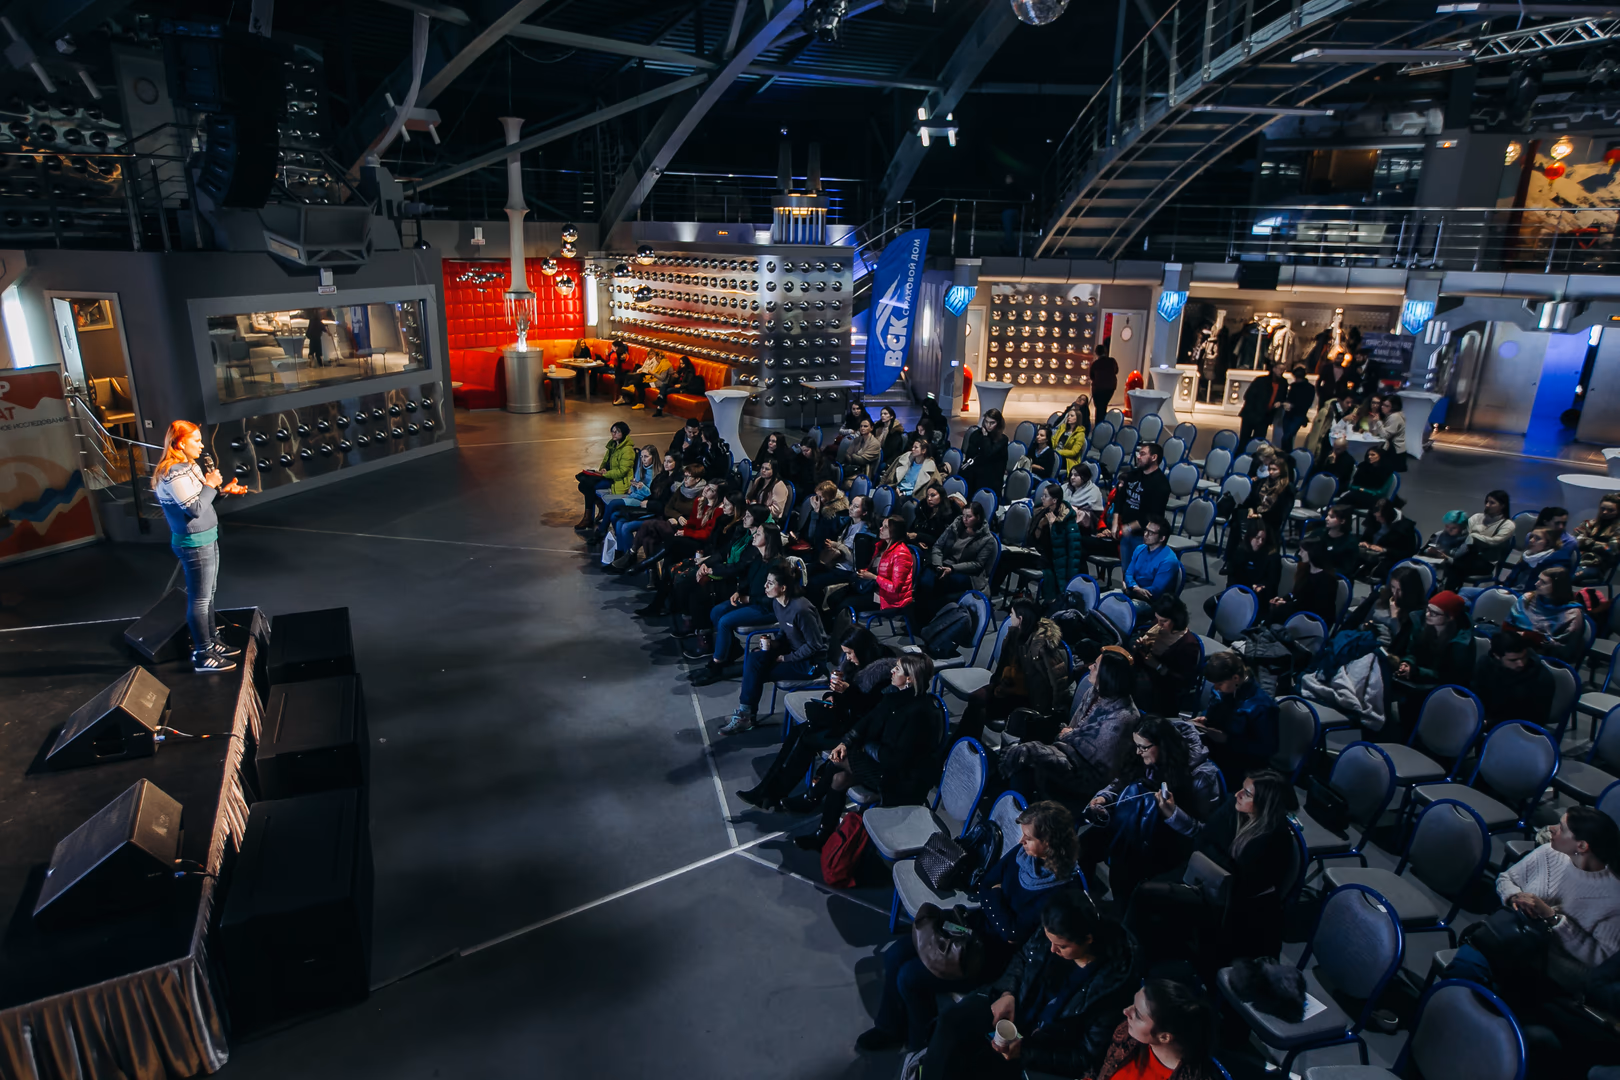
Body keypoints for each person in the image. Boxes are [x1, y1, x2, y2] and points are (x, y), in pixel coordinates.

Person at [860, 802, 1084, 1054]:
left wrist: (996, 898)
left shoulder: (1059, 891)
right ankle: (889, 1027)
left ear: (1050, 843)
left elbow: (1013, 935)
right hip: (970, 927)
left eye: (1029, 838)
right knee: (895, 954)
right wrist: (998, 904)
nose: (1021, 841)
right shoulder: (1023, 855)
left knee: (910, 977)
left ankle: (921, 1045)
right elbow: (986, 884)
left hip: (991, 956)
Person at [917, 891, 1140, 1080]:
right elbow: (1023, 958)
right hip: (1014, 1002)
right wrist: (1008, 993)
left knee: (980, 1067)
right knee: (950, 1022)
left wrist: (1025, 1053)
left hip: (1043, 1042)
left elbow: (1083, 1056)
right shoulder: (1053, 928)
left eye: (1061, 946)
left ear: (1088, 939)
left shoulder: (1110, 988)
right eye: (1049, 940)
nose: (1052, 950)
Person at [1129, 770, 1301, 968]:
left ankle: (1133, 957)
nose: (1237, 794)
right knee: (1145, 889)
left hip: (1230, 903)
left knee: (1148, 894)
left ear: (1265, 804)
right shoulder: (1233, 807)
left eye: (1247, 793)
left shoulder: (1275, 839)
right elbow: (1203, 841)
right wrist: (1223, 859)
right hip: (1206, 876)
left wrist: (1217, 855)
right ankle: (1135, 950)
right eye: (1242, 788)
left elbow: (1241, 883)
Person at [1447, 807, 1620, 995]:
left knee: (1478, 982)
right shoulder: (1549, 853)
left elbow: (1599, 959)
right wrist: (1514, 896)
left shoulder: (1613, 900)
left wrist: (1553, 918)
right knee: (1465, 968)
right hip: (1513, 939)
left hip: (1551, 966)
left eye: (1561, 828)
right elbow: (1506, 879)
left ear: (1582, 846)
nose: (1551, 829)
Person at [794, 652, 942, 850]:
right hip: (882, 762)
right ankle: (823, 831)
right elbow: (867, 722)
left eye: (897, 669)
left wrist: (862, 747)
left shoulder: (920, 713)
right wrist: (845, 743)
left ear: (910, 679)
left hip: (901, 778)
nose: (892, 671)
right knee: (839, 778)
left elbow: (896, 759)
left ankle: (813, 800)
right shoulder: (893, 696)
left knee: (839, 761)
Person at [737, 628, 895, 810]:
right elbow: (845, 696)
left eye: (850, 653)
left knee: (806, 739)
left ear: (862, 649)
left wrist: (848, 692)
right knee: (798, 731)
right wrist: (832, 696)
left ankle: (773, 793)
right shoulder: (853, 664)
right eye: (845, 653)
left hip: (859, 732)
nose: (848, 658)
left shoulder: (884, 674)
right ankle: (766, 790)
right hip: (842, 718)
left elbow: (872, 713)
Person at [1082, 716, 1219, 907]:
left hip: (1165, 841)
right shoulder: (1142, 758)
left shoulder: (1201, 776)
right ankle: (1086, 901)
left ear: (1163, 746)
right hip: (1132, 825)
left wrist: (1173, 814)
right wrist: (1104, 797)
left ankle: (1121, 912)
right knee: (1082, 846)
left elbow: (1204, 832)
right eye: (1136, 745)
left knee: (1125, 870)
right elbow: (1120, 782)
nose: (1138, 752)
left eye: (1143, 747)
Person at [152, 420, 248, 673]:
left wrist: (222, 491)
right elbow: (193, 509)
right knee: (200, 599)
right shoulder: (172, 473)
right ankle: (203, 653)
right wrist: (210, 484)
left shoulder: (189, 466)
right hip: (193, 543)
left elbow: (202, 502)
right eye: (196, 440)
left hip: (207, 537)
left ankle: (211, 641)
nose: (202, 445)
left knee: (209, 595)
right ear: (180, 443)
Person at [1000, 649, 1139, 803]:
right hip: (1070, 748)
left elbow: (1097, 757)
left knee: (1027, 752)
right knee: (1021, 724)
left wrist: (1068, 735)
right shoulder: (1093, 692)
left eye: (1095, 666)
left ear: (1106, 675)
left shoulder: (1124, 717)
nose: (1089, 667)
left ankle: (1010, 802)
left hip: (1087, 772)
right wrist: (1068, 735)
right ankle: (1006, 797)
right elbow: (1075, 727)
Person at [716, 560, 828, 735]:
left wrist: (786, 658)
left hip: (809, 663)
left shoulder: (801, 610)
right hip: (792, 650)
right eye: (766, 582)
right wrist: (773, 644)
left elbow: (815, 645)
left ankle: (746, 716)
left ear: (783, 588)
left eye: (770, 583)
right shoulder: (777, 603)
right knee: (754, 658)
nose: (765, 586)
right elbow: (785, 632)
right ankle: (746, 714)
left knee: (757, 672)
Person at [957, 597, 1073, 741]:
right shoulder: (1014, 634)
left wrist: (1055, 711)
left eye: (1012, 614)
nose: (1009, 617)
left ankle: (966, 743)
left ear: (1020, 618)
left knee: (979, 704)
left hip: (1030, 696)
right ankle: (963, 743)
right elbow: (1005, 664)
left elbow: (1059, 680)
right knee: (976, 699)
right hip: (1009, 684)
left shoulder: (1042, 645)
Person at [689, 521, 783, 683]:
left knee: (725, 621)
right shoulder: (758, 558)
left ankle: (716, 665)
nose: (754, 536)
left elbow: (774, 598)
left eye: (758, 534)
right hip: (752, 601)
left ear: (768, 539)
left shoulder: (778, 565)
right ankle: (731, 649)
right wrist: (739, 592)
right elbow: (748, 580)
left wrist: (749, 599)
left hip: (768, 608)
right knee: (717, 611)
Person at [1092, 980, 1221, 1080]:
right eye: (1133, 1004)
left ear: (1164, 1037)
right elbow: (1100, 1071)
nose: (1126, 1011)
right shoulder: (1127, 1035)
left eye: (1138, 1015)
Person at [1388, 590, 1475, 737]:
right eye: (1427, 609)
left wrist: (1415, 671)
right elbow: (1412, 650)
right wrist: (1408, 663)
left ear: (1450, 617)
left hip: (1443, 688)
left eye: (1434, 613)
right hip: (1420, 677)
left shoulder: (1461, 644)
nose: (1427, 614)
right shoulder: (1423, 625)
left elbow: (1449, 676)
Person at [1190, 653, 1279, 788]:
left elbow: (1266, 748)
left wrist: (1227, 739)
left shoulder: (1261, 707)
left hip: (1239, 761)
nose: (1216, 688)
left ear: (1235, 678)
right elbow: (1214, 711)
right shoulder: (1225, 691)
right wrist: (1206, 719)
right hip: (1215, 747)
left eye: (1219, 684)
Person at [1089, 442, 1170, 570]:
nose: (1138, 456)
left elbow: (1153, 514)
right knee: (1126, 571)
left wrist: (1130, 527)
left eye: (1142, 454)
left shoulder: (1161, 484)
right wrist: (1115, 522)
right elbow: (1120, 498)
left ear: (1154, 457)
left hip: (1144, 536)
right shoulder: (1133, 475)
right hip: (1126, 532)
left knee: (1140, 572)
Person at [1472, 627, 1555, 731]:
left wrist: (1489, 724)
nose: (1521, 664)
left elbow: (1535, 719)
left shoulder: (1541, 678)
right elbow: (1476, 695)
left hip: (1519, 729)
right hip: (1486, 720)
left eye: (1523, 657)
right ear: (1497, 656)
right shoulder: (1485, 664)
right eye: (1513, 660)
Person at [1129, 596, 1201, 715]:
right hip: (1146, 672)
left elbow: (1183, 681)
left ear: (1176, 619)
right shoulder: (1158, 626)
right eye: (1157, 619)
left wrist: (1158, 666)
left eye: (1164, 621)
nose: (1158, 624)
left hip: (1164, 689)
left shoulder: (1188, 644)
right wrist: (1139, 647)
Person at [609, 452, 680, 568]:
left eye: (670, 462)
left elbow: (666, 505)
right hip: (650, 509)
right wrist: (646, 500)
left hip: (660, 515)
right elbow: (653, 494)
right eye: (665, 461)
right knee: (619, 521)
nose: (666, 464)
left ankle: (630, 558)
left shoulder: (676, 482)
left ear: (676, 463)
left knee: (626, 526)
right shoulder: (661, 476)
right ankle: (622, 555)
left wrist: (649, 503)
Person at [1506, 564, 1587, 665]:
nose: (1536, 584)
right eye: (1538, 579)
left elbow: (1565, 650)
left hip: (1544, 658)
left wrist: (1538, 639)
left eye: (1543, 582)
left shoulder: (1572, 614)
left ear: (1557, 587)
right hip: (1514, 647)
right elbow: (1509, 623)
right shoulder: (1527, 598)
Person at [1444, 489, 1516, 590]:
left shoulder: (1507, 525)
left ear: (1502, 506)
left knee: (1455, 566)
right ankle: (1447, 591)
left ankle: (1448, 592)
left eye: (1492, 503)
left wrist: (1474, 536)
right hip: (1466, 555)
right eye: (1486, 502)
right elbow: (1464, 533)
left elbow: (1494, 541)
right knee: (1449, 563)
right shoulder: (1477, 517)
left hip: (1486, 561)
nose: (1487, 505)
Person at [927, 501, 998, 604]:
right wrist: (938, 565)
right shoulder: (956, 526)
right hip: (945, 564)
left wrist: (952, 569)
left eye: (969, 516)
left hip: (968, 574)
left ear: (978, 517)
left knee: (940, 584)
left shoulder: (987, 539)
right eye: (963, 515)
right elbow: (938, 546)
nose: (964, 519)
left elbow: (977, 565)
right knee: (925, 580)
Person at [1209, 517, 1281, 616]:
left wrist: (1258, 588)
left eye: (1263, 539)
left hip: (1257, 599)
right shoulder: (1241, 551)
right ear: (1250, 537)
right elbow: (1233, 576)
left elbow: (1270, 584)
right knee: (1210, 606)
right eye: (1257, 538)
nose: (1260, 542)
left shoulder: (1272, 557)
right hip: (1239, 592)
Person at [595, 444, 664, 544]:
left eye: (646, 457)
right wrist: (632, 486)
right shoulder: (641, 468)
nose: (643, 460)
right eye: (642, 457)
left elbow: (653, 494)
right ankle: (620, 544)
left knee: (613, 504)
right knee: (613, 513)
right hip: (634, 496)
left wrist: (642, 488)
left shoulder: (658, 473)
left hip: (643, 500)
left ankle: (602, 531)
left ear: (654, 457)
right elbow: (634, 486)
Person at [809, 494, 875, 601]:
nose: (851, 508)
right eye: (851, 504)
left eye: (856, 507)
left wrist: (838, 546)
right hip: (835, 563)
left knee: (814, 582)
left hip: (847, 571)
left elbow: (856, 561)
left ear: (864, 512)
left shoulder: (865, 534)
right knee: (808, 571)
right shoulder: (847, 523)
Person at [848, 515, 917, 616]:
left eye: (885, 527)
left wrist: (874, 577)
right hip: (877, 591)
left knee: (845, 605)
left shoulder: (901, 554)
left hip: (891, 600)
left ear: (895, 531)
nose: (880, 529)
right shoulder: (882, 546)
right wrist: (865, 573)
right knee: (835, 598)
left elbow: (895, 588)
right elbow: (875, 569)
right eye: (882, 526)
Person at [574, 421, 635, 533]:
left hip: (618, 481)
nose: (614, 434)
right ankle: (597, 507)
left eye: (617, 431)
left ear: (624, 433)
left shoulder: (627, 450)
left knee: (588, 486)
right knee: (583, 483)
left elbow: (622, 472)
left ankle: (588, 518)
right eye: (612, 431)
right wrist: (602, 469)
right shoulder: (612, 445)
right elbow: (605, 462)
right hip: (608, 476)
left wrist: (605, 474)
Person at [1268, 534, 1340, 626]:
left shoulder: (1327, 580)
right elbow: (1296, 593)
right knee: (1276, 609)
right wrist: (1284, 598)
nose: (1299, 554)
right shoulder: (1305, 569)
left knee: (1279, 611)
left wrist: (1286, 604)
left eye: (1302, 551)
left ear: (1312, 553)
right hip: (1301, 610)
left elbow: (1316, 607)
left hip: (1314, 619)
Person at [1356, 497, 1419, 580]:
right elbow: (1366, 536)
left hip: (1388, 559)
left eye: (1380, 517)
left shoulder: (1404, 528)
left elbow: (1406, 553)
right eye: (1376, 516)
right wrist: (1364, 542)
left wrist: (1384, 550)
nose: (1377, 519)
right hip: (1369, 554)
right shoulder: (1373, 519)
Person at [1124, 516, 1180, 607]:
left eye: (1151, 533)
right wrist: (1134, 587)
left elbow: (1155, 592)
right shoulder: (1140, 549)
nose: (1145, 534)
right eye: (1146, 530)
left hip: (1153, 603)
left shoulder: (1168, 561)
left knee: (1120, 610)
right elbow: (1128, 573)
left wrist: (1130, 588)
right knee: (1103, 602)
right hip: (1133, 592)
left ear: (1162, 538)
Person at [963, 408, 1011, 495]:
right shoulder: (976, 434)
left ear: (998, 423)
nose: (988, 425)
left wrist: (985, 437)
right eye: (986, 421)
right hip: (976, 472)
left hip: (992, 477)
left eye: (992, 423)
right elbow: (970, 454)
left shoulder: (1002, 440)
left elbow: (988, 453)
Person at [1576, 493, 1620, 584]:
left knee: (1568, 577)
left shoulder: (1618, 529)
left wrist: (1587, 542)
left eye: (1610, 510)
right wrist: (1599, 544)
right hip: (1578, 560)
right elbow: (1576, 540)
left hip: (1598, 566)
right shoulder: (1588, 523)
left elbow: (1612, 549)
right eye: (1602, 509)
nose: (1605, 512)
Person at [1240, 362, 1286, 448]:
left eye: (1283, 370)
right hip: (1251, 414)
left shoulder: (1283, 383)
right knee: (1244, 439)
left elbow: (1283, 397)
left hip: (1265, 417)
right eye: (1280, 369)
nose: (1282, 372)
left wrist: (1280, 403)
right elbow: (1248, 396)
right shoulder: (1261, 380)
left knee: (1258, 441)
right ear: (1274, 369)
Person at [1308, 503, 1360, 577]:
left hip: (1334, 578)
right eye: (1327, 515)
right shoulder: (1318, 533)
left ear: (1342, 521)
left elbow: (1345, 570)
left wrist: (1322, 571)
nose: (1326, 518)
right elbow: (1302, 550)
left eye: (1332, 517)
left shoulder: (1350, 543)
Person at [1340, 445, 1397, 510]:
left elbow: (1380, 492)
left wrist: (1364, 490)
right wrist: (1360, 489)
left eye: (1373, 455)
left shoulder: (1387, 471)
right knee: (1345, 500)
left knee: (1350, 499)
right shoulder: (1363, 466)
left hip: (1374, 497)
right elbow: (1352, 485)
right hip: (1357, 493)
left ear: (1380, 455)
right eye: (1368, 455)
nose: (1369, 457)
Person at [1274, 364, 1316, 451]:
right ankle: (1287, 453)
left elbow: (1306, 404)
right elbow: (1289, 398)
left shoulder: (1310, 388)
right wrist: (1285, 403)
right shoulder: (1294, 386)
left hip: (1298, 415)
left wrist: (1292, 406)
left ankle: (1286, 454)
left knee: (1287, 436)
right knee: (1287, 437)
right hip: (1289, 414)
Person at [908, 481, 960, 551]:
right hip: (919, 545)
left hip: (937, 549)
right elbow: (912, 530)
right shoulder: (923, 509)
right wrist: (917, 541)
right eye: (927, 496)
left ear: (941, 496)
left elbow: (941, 540)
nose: (929, 499)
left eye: (933, 495)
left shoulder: (948, 515)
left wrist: (918, 536)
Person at [1366, 392, 1408, 470]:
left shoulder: (1395, 417)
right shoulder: (1389, 416)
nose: (1382, 407)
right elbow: (1376, 433)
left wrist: (1378, 422)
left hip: (1395, 452)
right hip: (1391, 449)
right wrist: (1373, 422)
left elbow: (1385, 435)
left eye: (1386, 406)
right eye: (1382, 404)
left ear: (1394, 407)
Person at [745, 457, 791, 523]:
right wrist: (749, 501)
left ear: (774, 471)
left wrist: (758, 508)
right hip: (754, 513)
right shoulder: (758, 480)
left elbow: (777, 511)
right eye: (762, 468)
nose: (763, 470)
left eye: (767, 469)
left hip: (768, 518)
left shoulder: (779, 486)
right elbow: (751, 496)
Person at [1089, 345, 1120, 428]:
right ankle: (1102, 424)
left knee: (1099, 407)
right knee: (1103, 405)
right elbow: (1116, 371)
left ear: (1096, 353)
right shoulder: (1112, 361)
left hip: (1098, 388)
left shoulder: (1095, 364)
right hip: (1110, 388)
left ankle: (1099, 425)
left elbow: (1092, 376)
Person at [1054, 406, 1089, 475]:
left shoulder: (1080, 434)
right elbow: (1054, 440)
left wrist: (1058, 452)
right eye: (1068, 416)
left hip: (1068, 459)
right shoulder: (1062, 428)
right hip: (1055, 453)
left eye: (1072, 416)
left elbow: (1074, 452)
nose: (1068, 417)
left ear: (1077, 418)